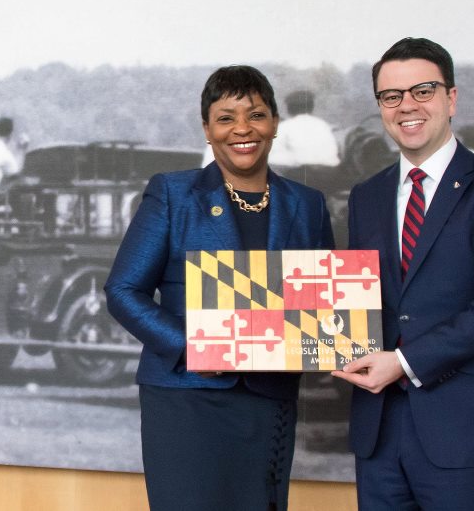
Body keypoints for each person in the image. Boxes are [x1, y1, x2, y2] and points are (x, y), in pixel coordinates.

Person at [104, 65, 335, 511]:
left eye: (256, 115)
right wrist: (194, 347)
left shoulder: (307, 205)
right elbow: (124, 291)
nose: (242, 129)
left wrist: (333, 344)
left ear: (275, 125)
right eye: (226, 118)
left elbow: (317, 304)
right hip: (184, 400)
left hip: (270, 402)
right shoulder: (172, 193)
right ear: (207, 130)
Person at [332, 37, 474, 511]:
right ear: (381, 106)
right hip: (379, 431)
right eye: (391, 96)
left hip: (465, 430)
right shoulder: (367, 195)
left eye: (422, 91)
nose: (407, 106)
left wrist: (404, 363)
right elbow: (357, 298)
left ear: (451, 98)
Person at [266, 89, 340, 167]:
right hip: (331, 171)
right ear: (312, 107)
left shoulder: (285, 126)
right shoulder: (322, 124)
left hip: (303, 172)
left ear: (289, 109)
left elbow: (273, 156)